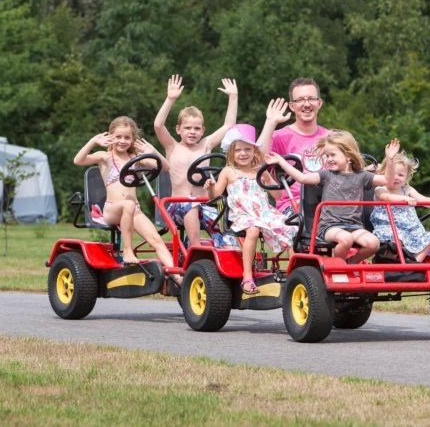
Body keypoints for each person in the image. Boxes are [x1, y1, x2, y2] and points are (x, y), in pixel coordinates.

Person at [73, 116, 181, 284]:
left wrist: (153, 151)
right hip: (112, 209)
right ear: (111, 136)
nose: (122, 141)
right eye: (118, 137)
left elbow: (165, 167)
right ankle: (128, 251)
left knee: (157, 241)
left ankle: (178, 277)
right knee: (128, 204)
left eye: (127, 137)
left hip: (134, 210)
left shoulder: (135, 159)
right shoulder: (105, 157)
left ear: (132, 139)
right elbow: (78, 160)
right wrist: (93, 141)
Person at [267, 131, 397, 263]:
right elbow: (302, 178)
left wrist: (390, 160)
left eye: (333, 155)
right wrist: (281, 161)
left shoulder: (362, 176)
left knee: (373, 243)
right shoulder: (326, 175)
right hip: (330, 226)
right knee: (346, 239)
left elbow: (388, 180)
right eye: (327, 155)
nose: (328, 159)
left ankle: (349, 264)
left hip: (354, 226)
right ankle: (337, 266)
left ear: (348, 156)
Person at [204, 124, 297, 295]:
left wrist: (267, 177)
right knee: (253, 230)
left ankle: (295, 274)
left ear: (254, 151)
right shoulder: (228, 172)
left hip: (264, 212)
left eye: (247, 149)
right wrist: (210, 187)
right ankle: (247, 277)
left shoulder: (259, 171)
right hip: (242, 214)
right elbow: (214, 196)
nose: (243, 153)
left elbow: (277, 195)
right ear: (231, 153)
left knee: (291, 228)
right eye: (238, 150)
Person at [154, 74, 238, 249]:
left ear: (203, 130)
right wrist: (170, 99)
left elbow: (229, 125)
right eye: (188, 128)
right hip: (178, 206)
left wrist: (233, 97)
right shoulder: (172, 147)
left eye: (197, 128)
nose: (192, 132)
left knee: (224, 217)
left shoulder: (206, 146)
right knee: (190, 203)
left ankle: (229, 251)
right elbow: (158, 125)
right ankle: (195, 247)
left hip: (204, 204)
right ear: (178, 129)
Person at [257, 77, 329, 215]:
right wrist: (270, 122)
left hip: (329, 203)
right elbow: (257, 161)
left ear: (319, 103)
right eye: (300, 100)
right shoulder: (278, 137)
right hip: (293, 206)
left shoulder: (332, 137)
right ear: (291, 106)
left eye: (311, 99)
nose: (306, 104)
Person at [369, 147, 430, 262]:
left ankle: (415, 263)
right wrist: (405, 199)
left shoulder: (407, 189)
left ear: (406, 177)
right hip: (388, 227)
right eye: (392, 174)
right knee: (397, 238)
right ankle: (395, 260)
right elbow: (388, 198)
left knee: (429, 239)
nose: (396, 178)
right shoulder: (381, 189)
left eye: (401, 175)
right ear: (384, 174)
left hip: (410, 229)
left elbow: (423, 200)